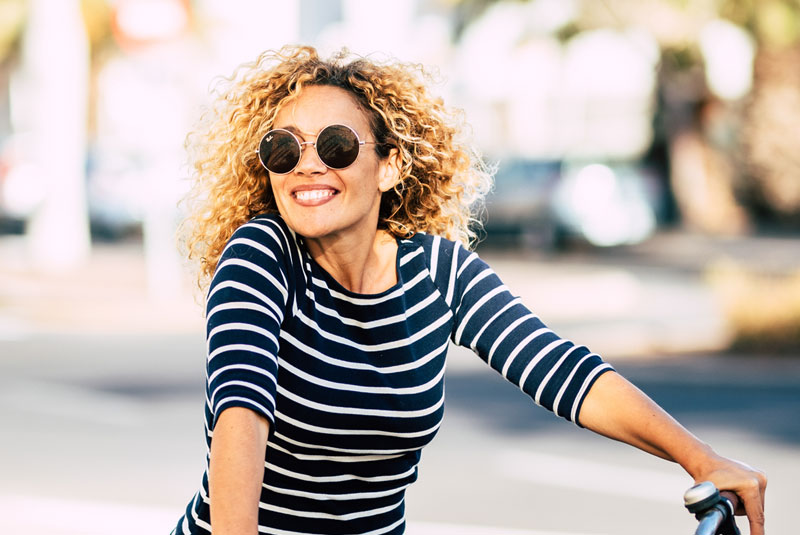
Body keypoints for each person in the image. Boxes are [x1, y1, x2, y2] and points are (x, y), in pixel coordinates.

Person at [173, 45, 766, 535]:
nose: (307, 165)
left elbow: (560, 369)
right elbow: (240, 416)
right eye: (284, 148)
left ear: (389, 166)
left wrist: (700, 458)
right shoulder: (260, 256)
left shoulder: (437, 272)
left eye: (335, 145)